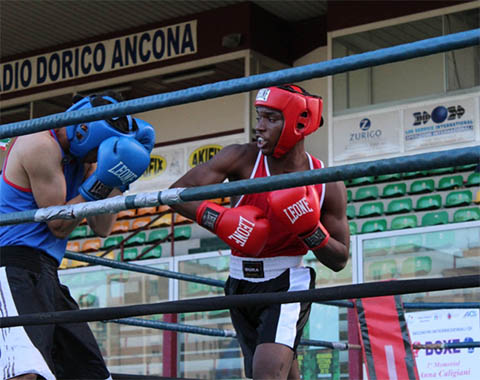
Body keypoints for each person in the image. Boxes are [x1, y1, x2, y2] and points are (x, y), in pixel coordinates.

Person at [170, 84, 350, 379]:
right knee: (271, 372)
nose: (260, 127)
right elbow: (178, 193)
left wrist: (309, 230)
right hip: (239, 281)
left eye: (271, 118)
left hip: (287, 282)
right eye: (259, 117)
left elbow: (340, 259)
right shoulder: (240, 158)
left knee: (265, 372)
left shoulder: (325, 183)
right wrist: (219, 219)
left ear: (298, 122)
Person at [0, 91, 155, 380]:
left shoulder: (86, 158)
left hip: (47, 273)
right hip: (11, 266)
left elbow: (102, 227)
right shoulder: (39, 144)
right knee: (24, 372)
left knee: (89, 372)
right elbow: (58, 225)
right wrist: (99, 181)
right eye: (98, 152)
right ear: (85, 132)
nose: (97, 159)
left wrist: (118, 178)